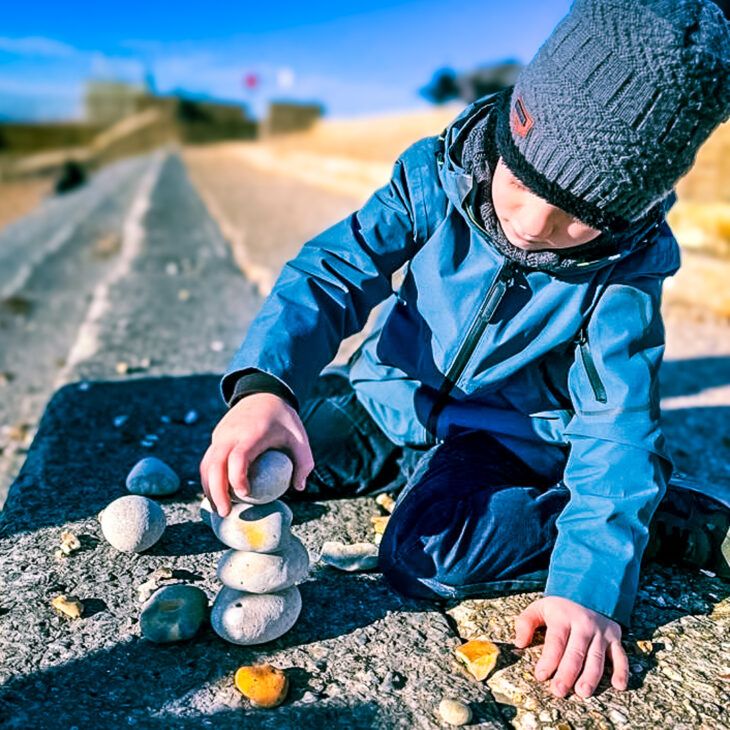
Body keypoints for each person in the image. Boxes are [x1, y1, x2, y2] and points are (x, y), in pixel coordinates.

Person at [200, 0, 730, 700]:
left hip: (500, 438)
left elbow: (616, 426)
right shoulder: (435, 174)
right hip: (386, 398)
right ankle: (371, 450)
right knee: (258, 460)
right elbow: (332, 274)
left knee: (429, 558)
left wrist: (590, 585)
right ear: (511, 128)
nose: (533, 225)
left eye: (580, 217)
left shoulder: (622, 277)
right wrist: (263, 388)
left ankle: (655, 519)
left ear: (628, 213)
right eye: (522, 183)